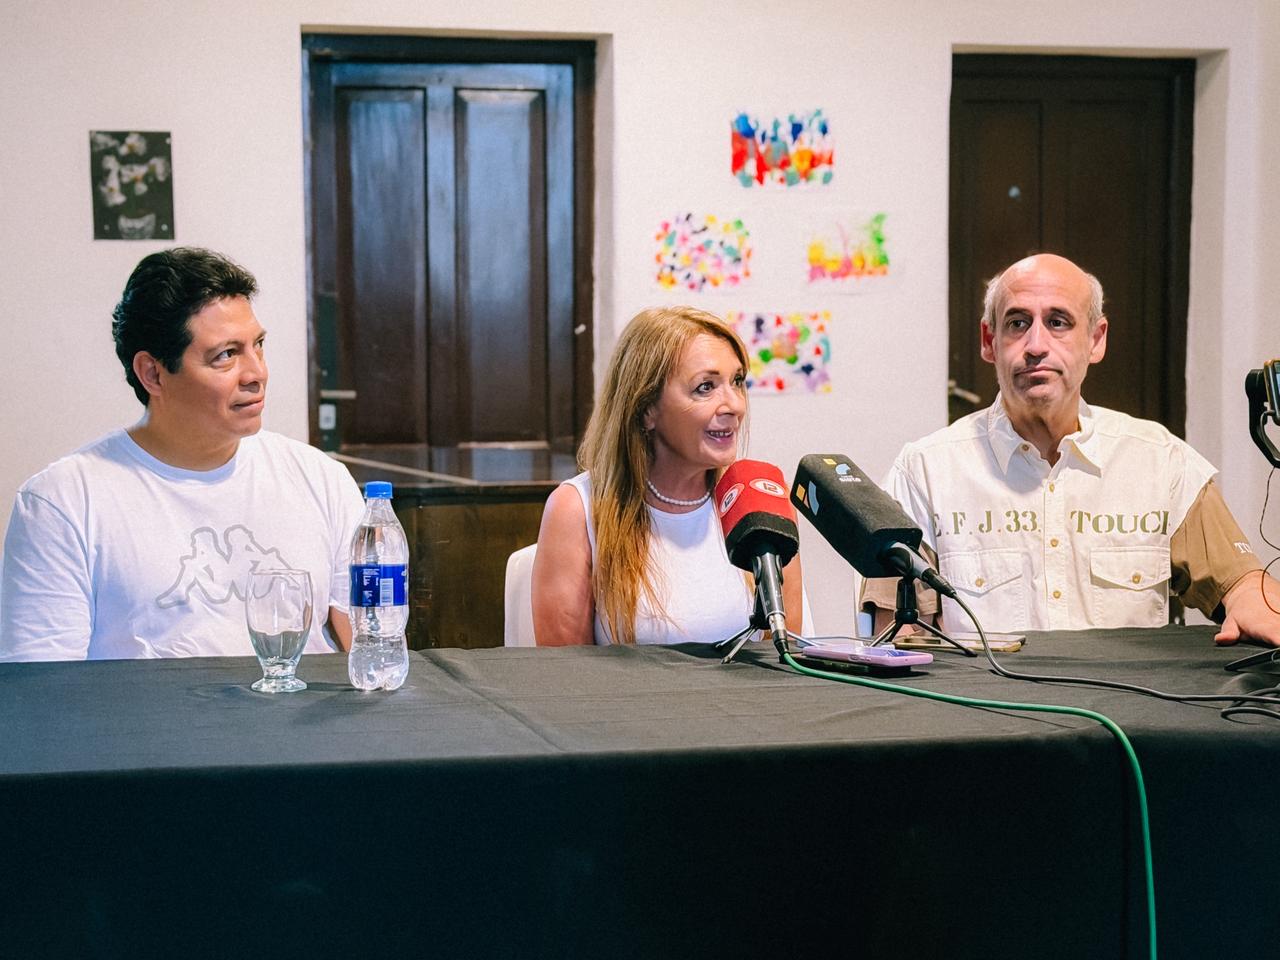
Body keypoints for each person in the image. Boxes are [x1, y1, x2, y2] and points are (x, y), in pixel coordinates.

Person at [861, 253, 1280, 645]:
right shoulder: (924, 472)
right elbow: (893, 643)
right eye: (1017, 323)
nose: (1037, 345)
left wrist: (1254, 604)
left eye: (1058, 322)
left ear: (1096, 340)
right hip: (985, 719)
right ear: (989, 341)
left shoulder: (1161, 463)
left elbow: (1245, 586)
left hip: (1126, 717)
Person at [0, 247, 365, 661]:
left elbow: (371, 645)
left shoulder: (321, 480)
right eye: (226, 355)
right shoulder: (62, 502)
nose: (256, 373)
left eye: (257, 345)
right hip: (143, 725)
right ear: (153, 373)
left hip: (297, 721)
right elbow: (41, 693)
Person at [532, 306, 803, 645]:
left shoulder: (763, 501)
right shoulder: (576, 509)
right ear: (647, 410)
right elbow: (567, 679)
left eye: (737, 382)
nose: (734, 405)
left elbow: (786, 663)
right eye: (705, 387)